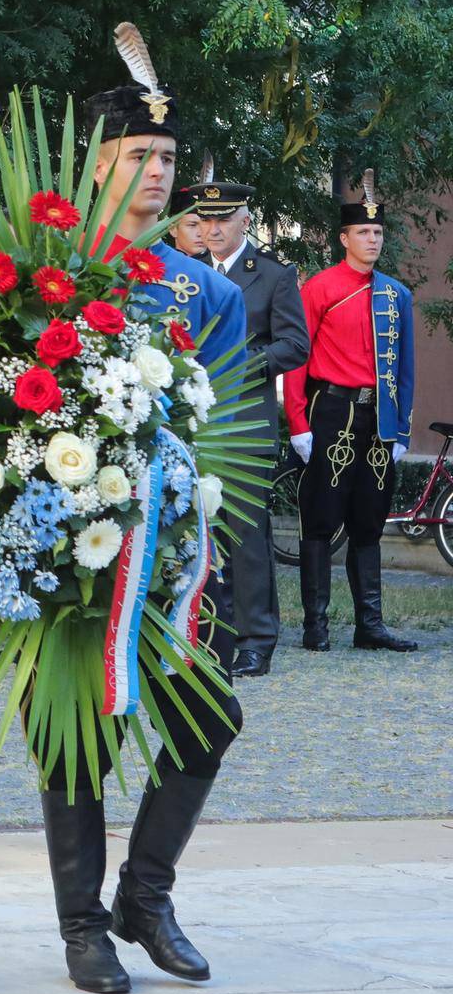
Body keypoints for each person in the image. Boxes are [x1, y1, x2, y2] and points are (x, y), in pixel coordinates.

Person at [35, 23, 249, 994]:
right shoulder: (46, 273)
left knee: (206, 718)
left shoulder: (205, 290)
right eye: (139, 156)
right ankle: (83, 926)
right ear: (97, 164)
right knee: (77, 735)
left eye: (166, 156)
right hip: (64, 549)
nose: (157, 172)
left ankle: (144, 894)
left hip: (163, 559)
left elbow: (229, 434)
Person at [286, 169, 417, 654]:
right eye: (363, 231)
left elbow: (405, 369)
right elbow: (296, 359)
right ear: (344, 238)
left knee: (369, 521)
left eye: (378, 232)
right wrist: (297, 422)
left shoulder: (396, 295)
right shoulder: (320, 287)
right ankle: (315, 626)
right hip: (331, 409)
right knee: (320, 520)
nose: (372, 239)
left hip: (378, 418)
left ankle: (370, 626)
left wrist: (401, 428)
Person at [188, 170, 310, 676]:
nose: (213, 229)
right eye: (205, 220)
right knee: (201, 534)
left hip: (244, 426)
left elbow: (295, 345)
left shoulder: (274, 276)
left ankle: (257, 640)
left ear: (245, 220)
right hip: (195, 424)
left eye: (223, 219)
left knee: (246, 536)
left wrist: (239, 360)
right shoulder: (189, 272)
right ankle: (213, 632)